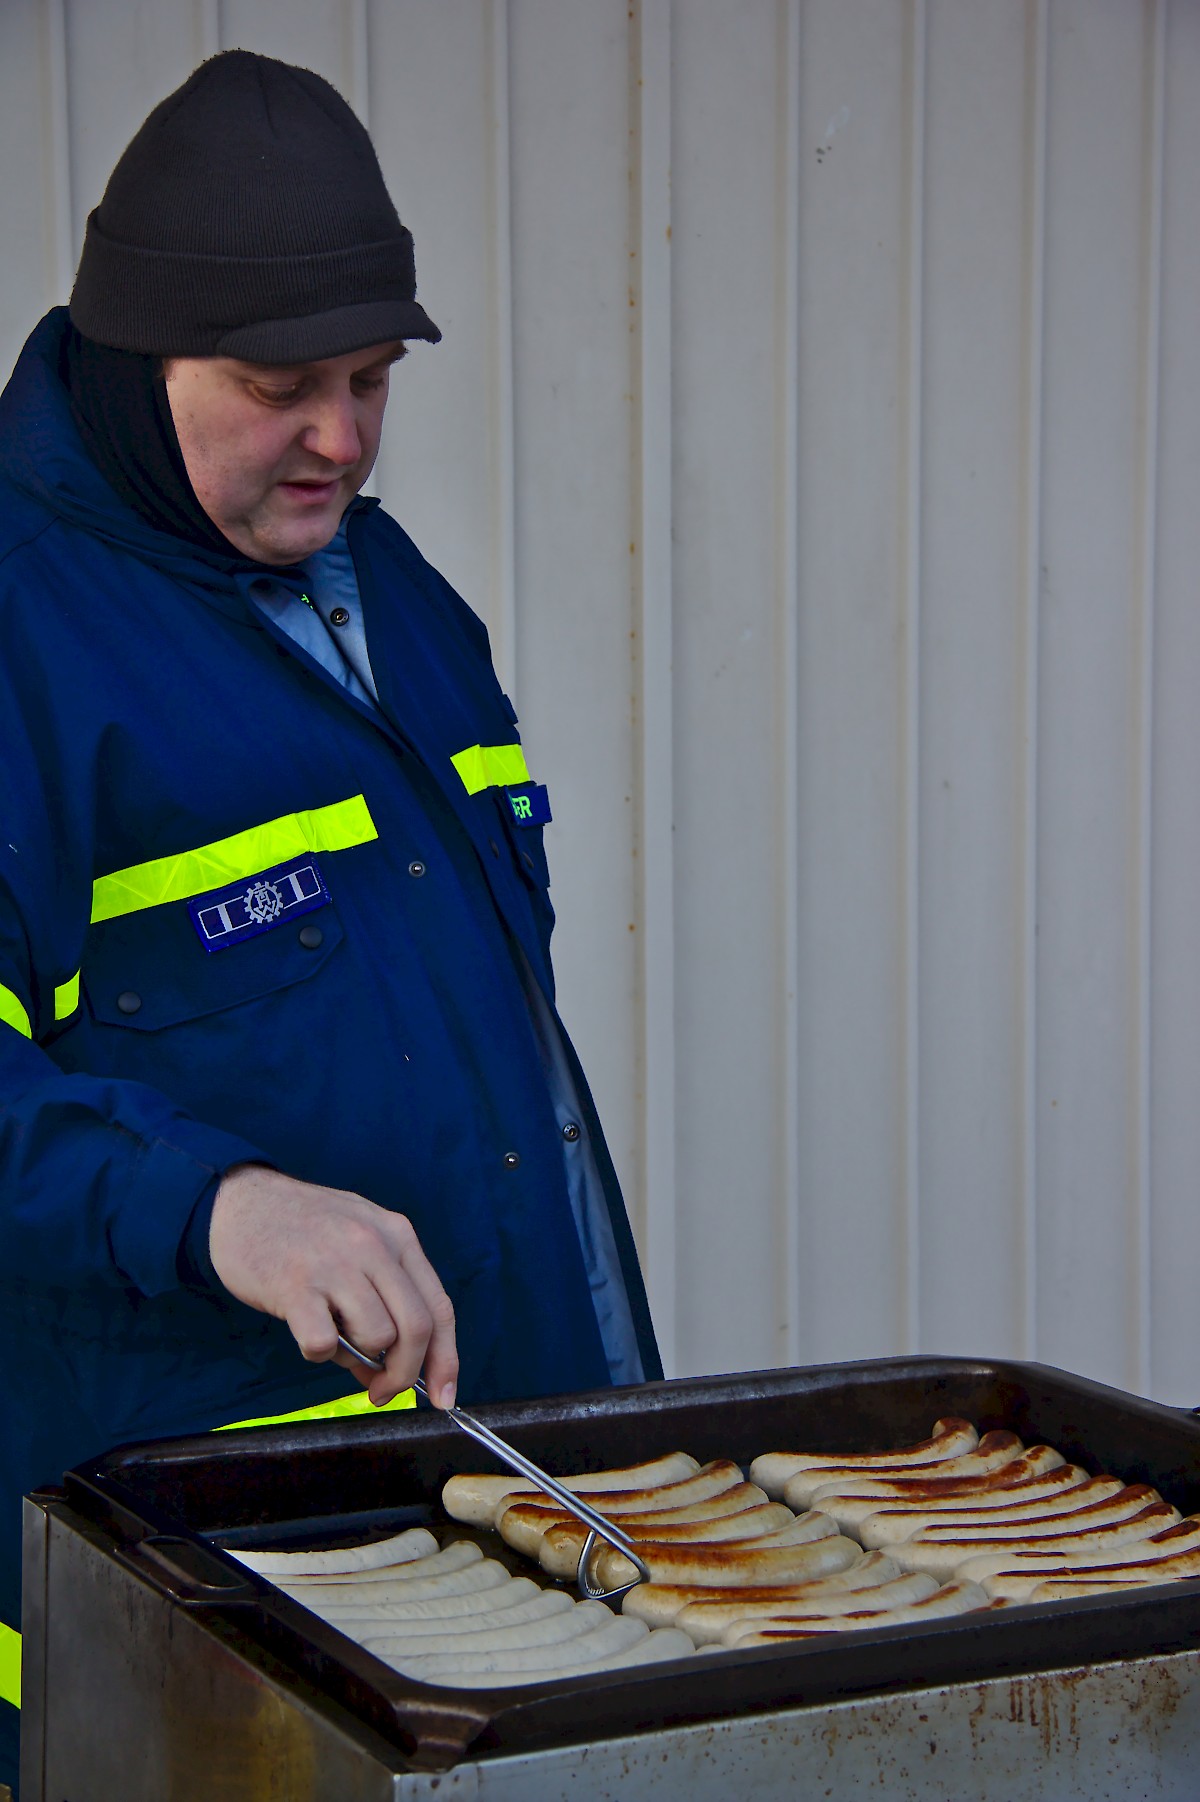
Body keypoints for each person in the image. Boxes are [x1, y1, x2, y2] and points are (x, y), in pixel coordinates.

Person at [0, 49, 660, 1790]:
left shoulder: (399, 597)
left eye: (373, 382)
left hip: (482, 1574)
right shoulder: (20, 639)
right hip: (202, 1612)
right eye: (283, 383)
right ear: (138, 368)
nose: (345, 439)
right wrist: (218, 1202)